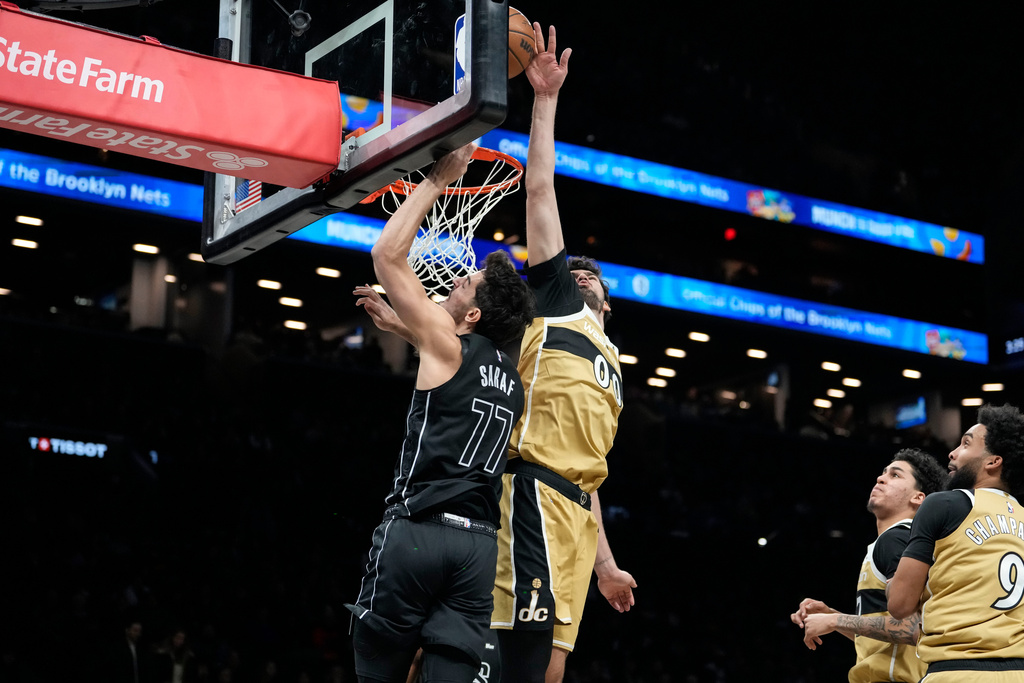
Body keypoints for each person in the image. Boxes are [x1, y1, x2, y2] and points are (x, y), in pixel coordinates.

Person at [345, 143, 536, 683]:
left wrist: (438, 180)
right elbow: (458, 374)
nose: (455, 278)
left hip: (418, 533)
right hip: (478, 550)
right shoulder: (513, 381)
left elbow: (386, 257)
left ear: (472, 314)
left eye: (465, 283)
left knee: (378, 672)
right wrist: (404, 329)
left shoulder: (447, 343)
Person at [488, 23, 636, 683]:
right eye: (569, 274)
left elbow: (594, 475)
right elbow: (540, 192)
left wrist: (604, 562)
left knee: (550, 673)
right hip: (531, 494)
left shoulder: (615, 368)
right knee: (512, 662)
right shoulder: (556, 300)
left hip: (577, 513)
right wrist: (543, 101)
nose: (577, 277)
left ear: (608, 302)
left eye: (588, 277)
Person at [888, 403, 1024, 681]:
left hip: (957, 669)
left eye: (965, 444)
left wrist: (898, 584)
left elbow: (900, 605)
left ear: (993, 461)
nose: (952, 452)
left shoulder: (943, 504)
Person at [790, 448, 947, 682]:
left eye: (895, 475)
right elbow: (886, 635)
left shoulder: (896, 539)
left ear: (918, 497)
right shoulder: (894, 541)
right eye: (883, 473)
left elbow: (913, 628)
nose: (880, 478)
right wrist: (834, 616)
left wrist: (834, 620)